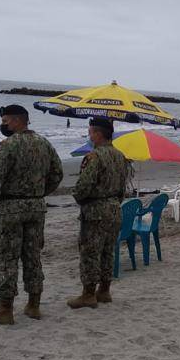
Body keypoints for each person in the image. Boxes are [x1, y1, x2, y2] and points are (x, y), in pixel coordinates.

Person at [0, 104, 64, 324]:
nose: (3, 124)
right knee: (32, 255)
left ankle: (5, 309)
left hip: (11, 207)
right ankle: (33, 305)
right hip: (36, 207)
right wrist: (40, 193)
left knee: (7, 256)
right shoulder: (44, 144)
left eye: (6, 120)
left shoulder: (8, 145)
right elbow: (57, 173)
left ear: (18, 120)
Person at [68, 117, 128, 309]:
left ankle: (88, 294)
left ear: (98, 134)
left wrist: (79, 198)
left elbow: (83, 186)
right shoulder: (120, 156)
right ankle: (104, 290)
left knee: (90, 252)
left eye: (91, 131)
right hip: (114, 209)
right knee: (107, 251)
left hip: (95, 210)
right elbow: (122, 187)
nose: (89, 135)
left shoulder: (94, 157)